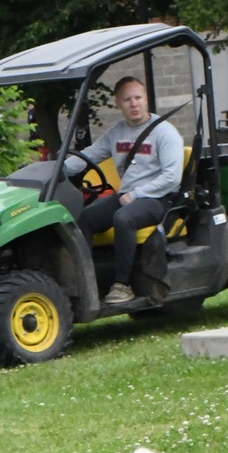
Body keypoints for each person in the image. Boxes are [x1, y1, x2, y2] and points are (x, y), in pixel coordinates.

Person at [68, 75, 184, 304]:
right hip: (128, 195)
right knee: (85, 217)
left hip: (159, 198)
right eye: (128, 99)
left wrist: (137, 194)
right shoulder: (116, 133)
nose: (134, 104)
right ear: (118, 103)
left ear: (146, 99)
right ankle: (85, 282)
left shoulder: (165, 132)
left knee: (124, 219)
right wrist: (55, 170)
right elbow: (88, 156)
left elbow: (172, 177)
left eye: (138, 98)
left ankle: (123, 284)